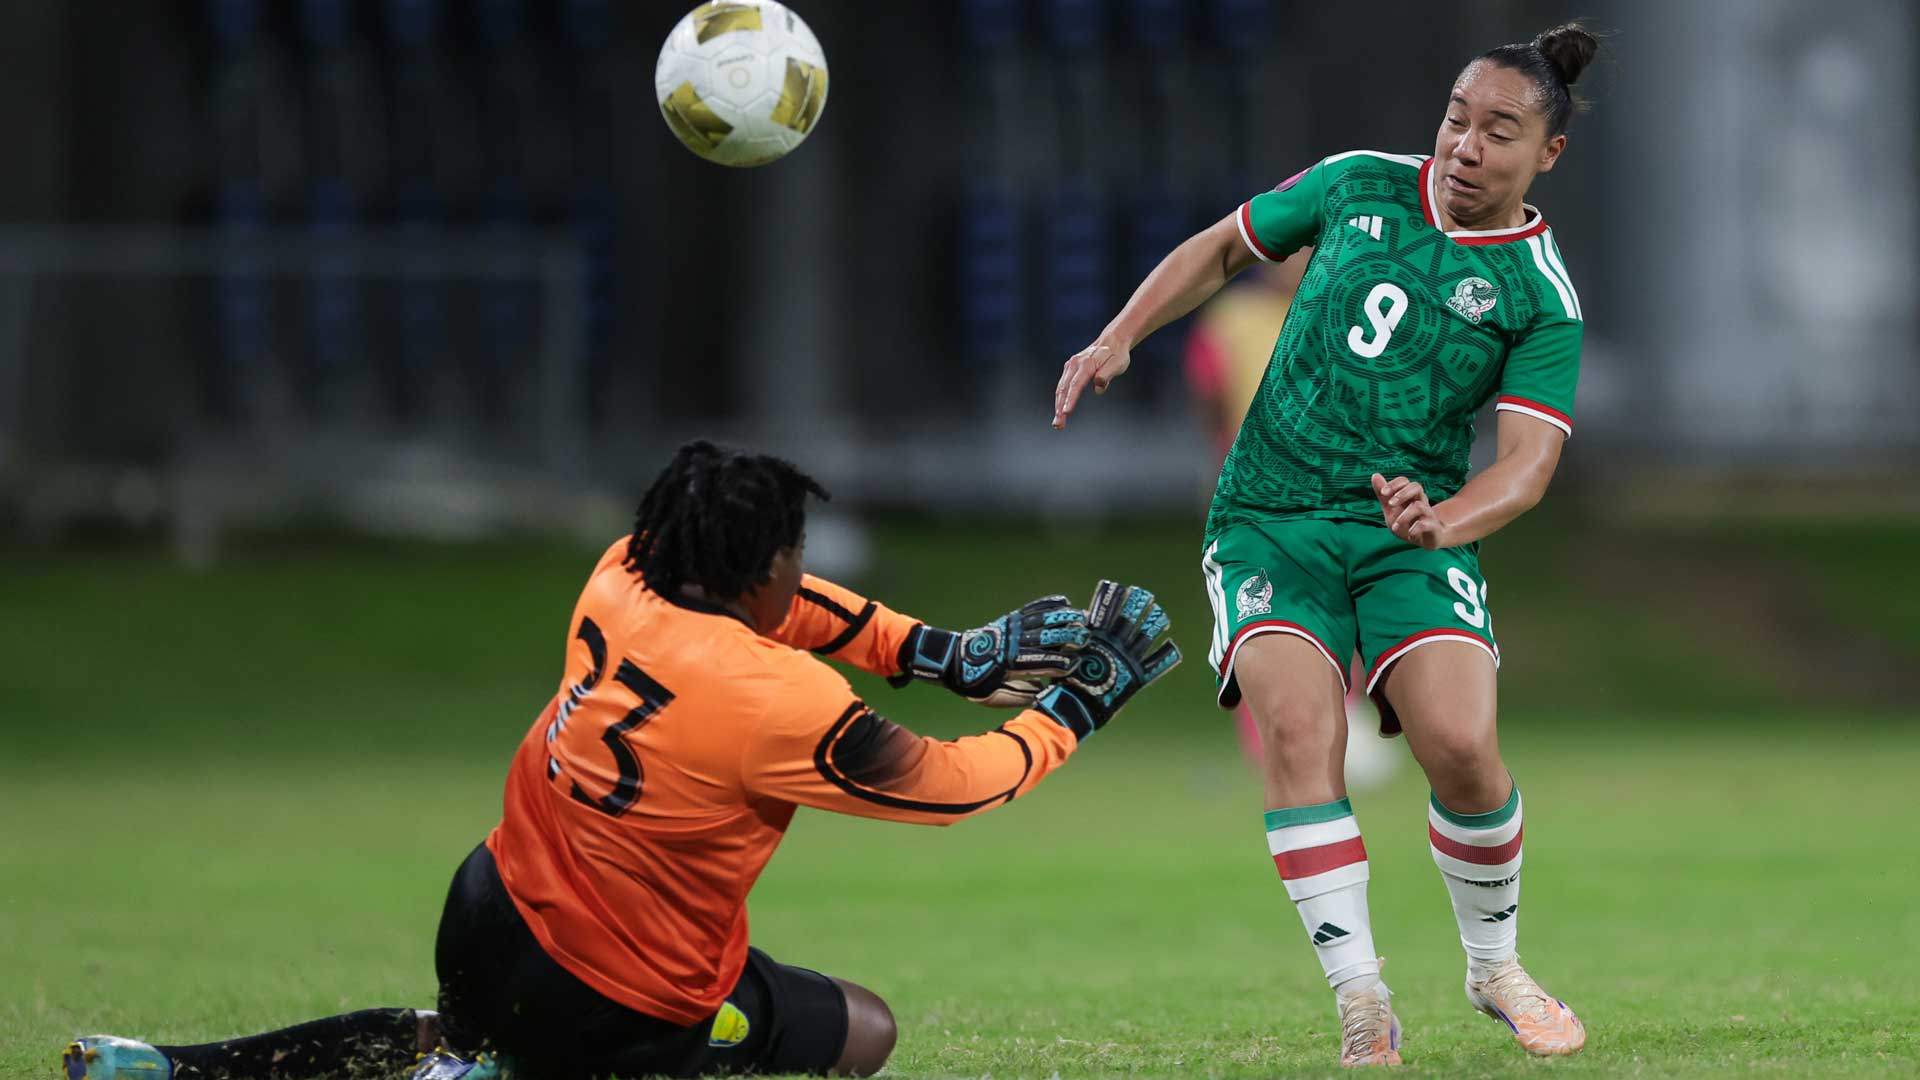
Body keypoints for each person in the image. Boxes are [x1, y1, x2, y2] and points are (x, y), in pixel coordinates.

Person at [65, 441, 1180, 1080]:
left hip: (488, 906)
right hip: (623, 996)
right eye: (792, 560)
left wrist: (935, 651)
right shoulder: (777, 700)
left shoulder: (624, 571)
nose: (802, 577)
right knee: (866, 1035)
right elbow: (952, 787)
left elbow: (806, 612)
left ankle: (174, 1066)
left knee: (458, 1034)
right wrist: (1079, 708)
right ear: (755, 580)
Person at [1053, 23, 1599, 1068]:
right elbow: (1222, 247)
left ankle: (1496, 968)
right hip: (1269, 515)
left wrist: (1448, 523)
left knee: (1463, 750)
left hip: (1412, 535)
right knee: (1302, 736)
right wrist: (1121, 332)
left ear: (1548, 155)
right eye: (1455, 117)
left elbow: (1527, 467)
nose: (1465, 145)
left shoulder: (1540, 295)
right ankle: (1362, 999)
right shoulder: (1357, 183)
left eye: (1499, 131)